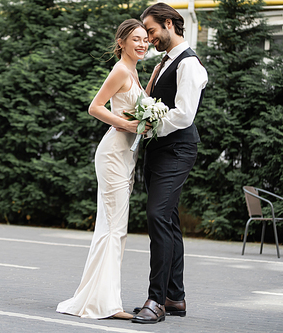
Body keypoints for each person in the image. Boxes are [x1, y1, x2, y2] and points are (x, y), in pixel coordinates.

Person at [56, 19, 149, 320]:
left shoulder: (134, 70)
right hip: (112, 155)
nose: (142, 44)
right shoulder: (121, 69)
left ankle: (103, 299)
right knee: (113, 229)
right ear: (121, 42)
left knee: (115, 230)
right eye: (136, 39)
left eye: (146, 39)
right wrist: (128, 124)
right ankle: (105, 304)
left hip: (126, 156)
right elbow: (95, 107)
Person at [130, 3, 208, 324]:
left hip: (177, 149)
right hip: (159, 150)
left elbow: (184, 114)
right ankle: (175, 297)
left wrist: (150, 125)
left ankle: (157, 299)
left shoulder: (190, 65)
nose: (149, 39)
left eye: (151, 31)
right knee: (170, 221)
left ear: (170, 24)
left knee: (158, 215)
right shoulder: (164, 62)